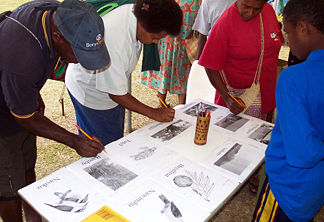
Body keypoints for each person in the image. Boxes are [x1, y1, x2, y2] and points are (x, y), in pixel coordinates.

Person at [0, 0, 110, 221]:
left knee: (27, 165)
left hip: (17, 91)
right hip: (2, 120)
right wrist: (74, 141)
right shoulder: (22, 57)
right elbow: (26, 117)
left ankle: (34, 216)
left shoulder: (59, 13)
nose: (79, 61)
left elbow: (26, 82)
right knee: (8, 186)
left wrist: (32, 92)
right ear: (58, 36)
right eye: (78, 53)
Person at [252, 0, 324, 221]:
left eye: (287, 32)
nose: (287, 40)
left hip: (286, 189)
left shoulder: (293, 78)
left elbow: (304, 153)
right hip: (320, 184)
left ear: (303, 28)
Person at [65, 0, 183, 146]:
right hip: (90, 92)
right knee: (101, 149)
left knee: (115, 139)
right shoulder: (115, 40)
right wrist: (153, 113)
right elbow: (115, 93)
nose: (157, 42)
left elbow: (117, 89)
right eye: (157, 37)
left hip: (109, 90)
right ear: (145, 25)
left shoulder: (139, 14)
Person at [198, 0, 283, 193]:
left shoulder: (269, 12)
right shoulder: (225, 23)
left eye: (257, 8)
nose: (251, 12)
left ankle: (254, 172)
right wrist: (227, 97)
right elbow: (210, 65)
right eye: (246, 6)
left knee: (260, 139)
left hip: (265, 91)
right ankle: (230, 179)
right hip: (238, 99)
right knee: (232, 146)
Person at [139, 0, 201, 107]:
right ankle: (162, 104)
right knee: (164, 71)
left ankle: (181, 106)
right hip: (165, 40)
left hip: (183, 42)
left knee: (182, 74)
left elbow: (200, 15)